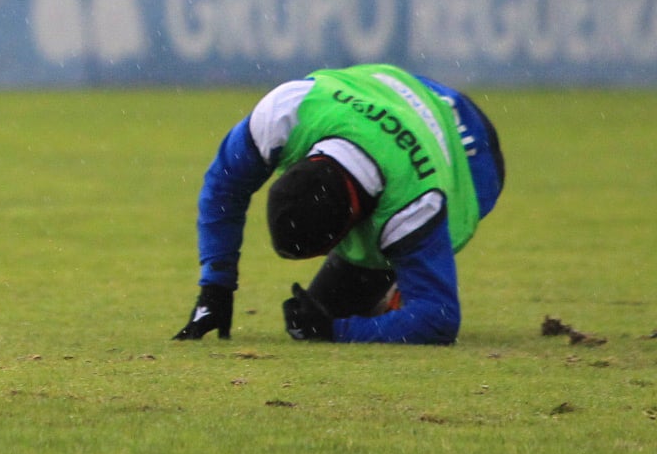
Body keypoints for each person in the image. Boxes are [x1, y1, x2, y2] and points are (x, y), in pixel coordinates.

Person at [173, 62, 506, 345]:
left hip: (469, 150)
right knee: (320, 316)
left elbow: (439, 319)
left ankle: (397, 281)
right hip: (391, 94)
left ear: (347, 231)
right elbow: (224, 186)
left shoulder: (415, 204)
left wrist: (338, 331)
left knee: (339, 316)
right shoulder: (288, 111)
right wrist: (215, 285)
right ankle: (383, 290)